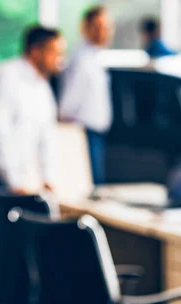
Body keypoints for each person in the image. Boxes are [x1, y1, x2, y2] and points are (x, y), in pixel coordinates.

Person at [0, 26, 65, 194]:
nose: (59, 59)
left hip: (9, 176)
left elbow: (47, 138)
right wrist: (14, 181)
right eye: (55, 52)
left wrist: (48, 179)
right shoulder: (5, 77)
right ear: (35, 51)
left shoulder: (43, 89)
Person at [59, 6, 113, 186]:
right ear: (86, 27)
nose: (103, 32)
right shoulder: (81, 59)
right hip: (83, 133)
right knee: (90, 187)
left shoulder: (95, 57)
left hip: (95, 133)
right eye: (98, 26)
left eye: (107, 27)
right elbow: (69, 101)